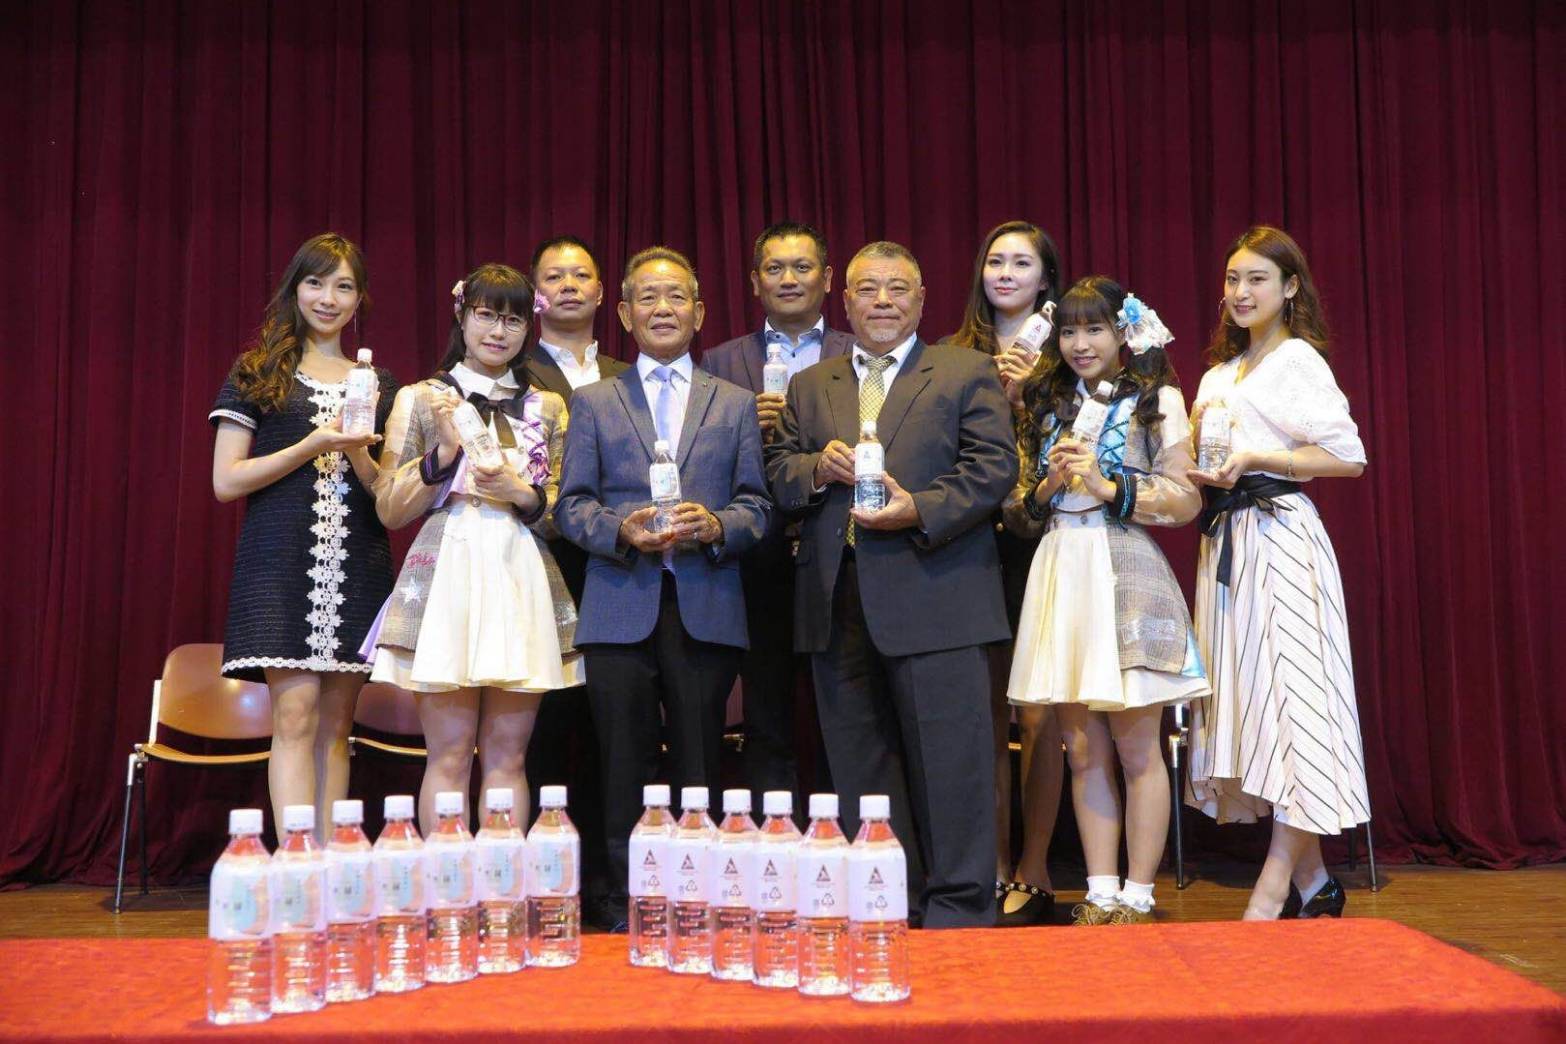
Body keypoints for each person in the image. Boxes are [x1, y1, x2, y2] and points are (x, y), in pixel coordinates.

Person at [766, 240, 1017, 928]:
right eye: (868, 289)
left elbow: (993, 469)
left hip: (938, 591)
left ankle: (960, 910)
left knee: (953, 764)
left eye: (897, 288)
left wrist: (920, 508)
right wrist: (816, 467)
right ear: (844, 301)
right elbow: (778, 472)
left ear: (922, 299)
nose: (882, 300)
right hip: (835, 600)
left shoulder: (964, 371)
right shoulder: (811, 385)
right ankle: (887, 903)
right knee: (860, 764)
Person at [555, 246, 770, 930]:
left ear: (700, 312)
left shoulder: (734, 404)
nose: (662, 308)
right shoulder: (593, 402)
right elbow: (571, 506)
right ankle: (628, 900)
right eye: (647, 297)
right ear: (623, 314)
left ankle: (697, 894)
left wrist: (719, 524)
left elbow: (758, 505)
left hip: (706, 601)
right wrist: (620, 530)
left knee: (701, 759)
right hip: (620, 602)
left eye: (676, 296)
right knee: (623, 761)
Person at [1004, 276, 1209, 925]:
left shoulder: (1156, 398)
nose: (1080, 343)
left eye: (1094, 329)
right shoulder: (1046, 402)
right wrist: (1048, 487)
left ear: (1123, 333)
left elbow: (1185, 498)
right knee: (1082, 747)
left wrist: (1107, 483)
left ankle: (1139, 894)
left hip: (1124, 569)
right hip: (1061, 567)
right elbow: (1018, 509)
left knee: (1136, 746)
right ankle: (1099, 891)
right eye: (1069, 330)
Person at [1186, 225, 1370, 920]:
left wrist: (1262, 458)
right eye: (1233, 279)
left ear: (1290, 287)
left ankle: (1270, 891)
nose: (1241, 292)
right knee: (1260, 710)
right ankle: (1316, 885)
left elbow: (1348, 456)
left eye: (1257, 278)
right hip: (1226, 543)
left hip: (1281, 537)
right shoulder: (1218, 374)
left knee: (1299, 708)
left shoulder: (1297, 360)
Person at [364, 263, 578, 834]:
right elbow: (389, 507)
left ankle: (503, 880)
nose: (498, 331)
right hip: (448, 573)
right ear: (462, 316)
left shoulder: (548, 407)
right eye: (486, 315)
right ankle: (446, 880)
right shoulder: (421, 398)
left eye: (513, 320)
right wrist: (441, 458)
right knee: (450, 754)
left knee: (509, 756)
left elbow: (567, 511)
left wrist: (522, 495)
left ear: (528, 327)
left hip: (520, 573)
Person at [209, 232, 397, 836]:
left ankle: (330, 860)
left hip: (360, 563)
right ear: (295, 289)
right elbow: (227, 480)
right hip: (278, 565)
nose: (328, 298)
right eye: (316, 283)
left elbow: (386, 494)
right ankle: (297, 859)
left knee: (337, 727)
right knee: (293, 716)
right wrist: (314, 443)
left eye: (343, 286)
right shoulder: (258, 371)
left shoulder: (379, 384)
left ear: (359, 298)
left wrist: (358, 452)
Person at [701, 221, 853, 810]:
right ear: (754, 281)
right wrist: (746, 427)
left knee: (846, 703)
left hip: (838, 552)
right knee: (766, 707)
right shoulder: (720, 359)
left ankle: (847, 834)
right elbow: (703, 459)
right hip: (755, 558)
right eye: (775, 268)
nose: (789, 279)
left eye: (802, 267)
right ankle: (774, 834)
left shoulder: (857, 351)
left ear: (828, 278)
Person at [943, 220, 1067, 924]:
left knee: (1040, 712)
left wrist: (1027, 399)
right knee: (984, 713)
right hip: (970, 544)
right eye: (996, 261)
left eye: (1023, 263)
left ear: (1045, 278)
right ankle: (988, 865)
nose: (1007, 273)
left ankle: (1035, 865)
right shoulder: (953, 353)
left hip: (1044, 544)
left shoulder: (1070, 349)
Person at [519, 235, 629, 922]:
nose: (567, 286)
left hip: (621, 574)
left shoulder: (630, 373)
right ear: (535, 295)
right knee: (542, 732)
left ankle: (610, 889)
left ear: (601, 293)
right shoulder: (513, 371)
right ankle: (548, 891)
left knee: (612, 734)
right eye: (553, 276)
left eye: (580, 275)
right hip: (540, 570)